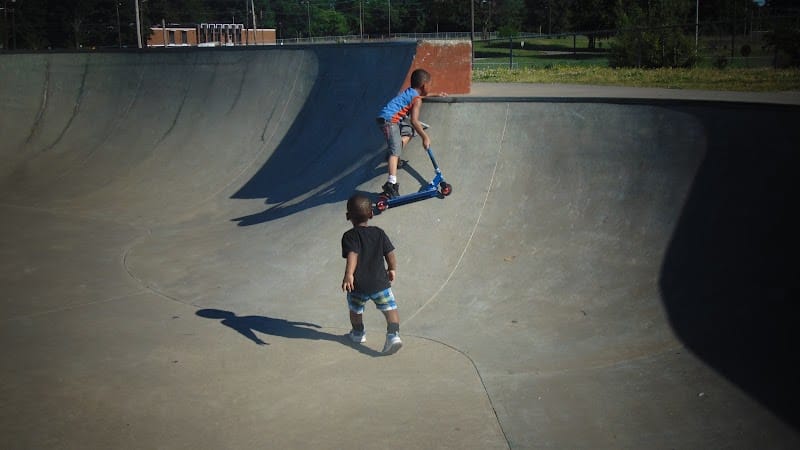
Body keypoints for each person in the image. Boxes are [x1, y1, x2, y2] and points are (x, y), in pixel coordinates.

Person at [341, 193, 402, 354]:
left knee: (355, 310)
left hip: (358, 284)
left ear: (348, 216)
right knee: (390, 309)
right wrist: (392, 269)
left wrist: (349, 274)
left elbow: (352, 254)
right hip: (379, 283)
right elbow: (390, 253)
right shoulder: (379, 233)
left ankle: (358, 333)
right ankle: (393, 335)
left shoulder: (349, 236)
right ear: (371, 214)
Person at [376, 68, 446, 198]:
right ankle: (391, 184)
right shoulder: (417, 100)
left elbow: (420, 96)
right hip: (389, 121)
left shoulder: (410, 92)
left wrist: (435, 94)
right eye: (430, 85)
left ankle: (393, 156)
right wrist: (425, 137)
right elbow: (414, 120)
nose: (430, 88)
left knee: (409, 132)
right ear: (424, 85)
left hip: (390, 119)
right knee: (395, 150)